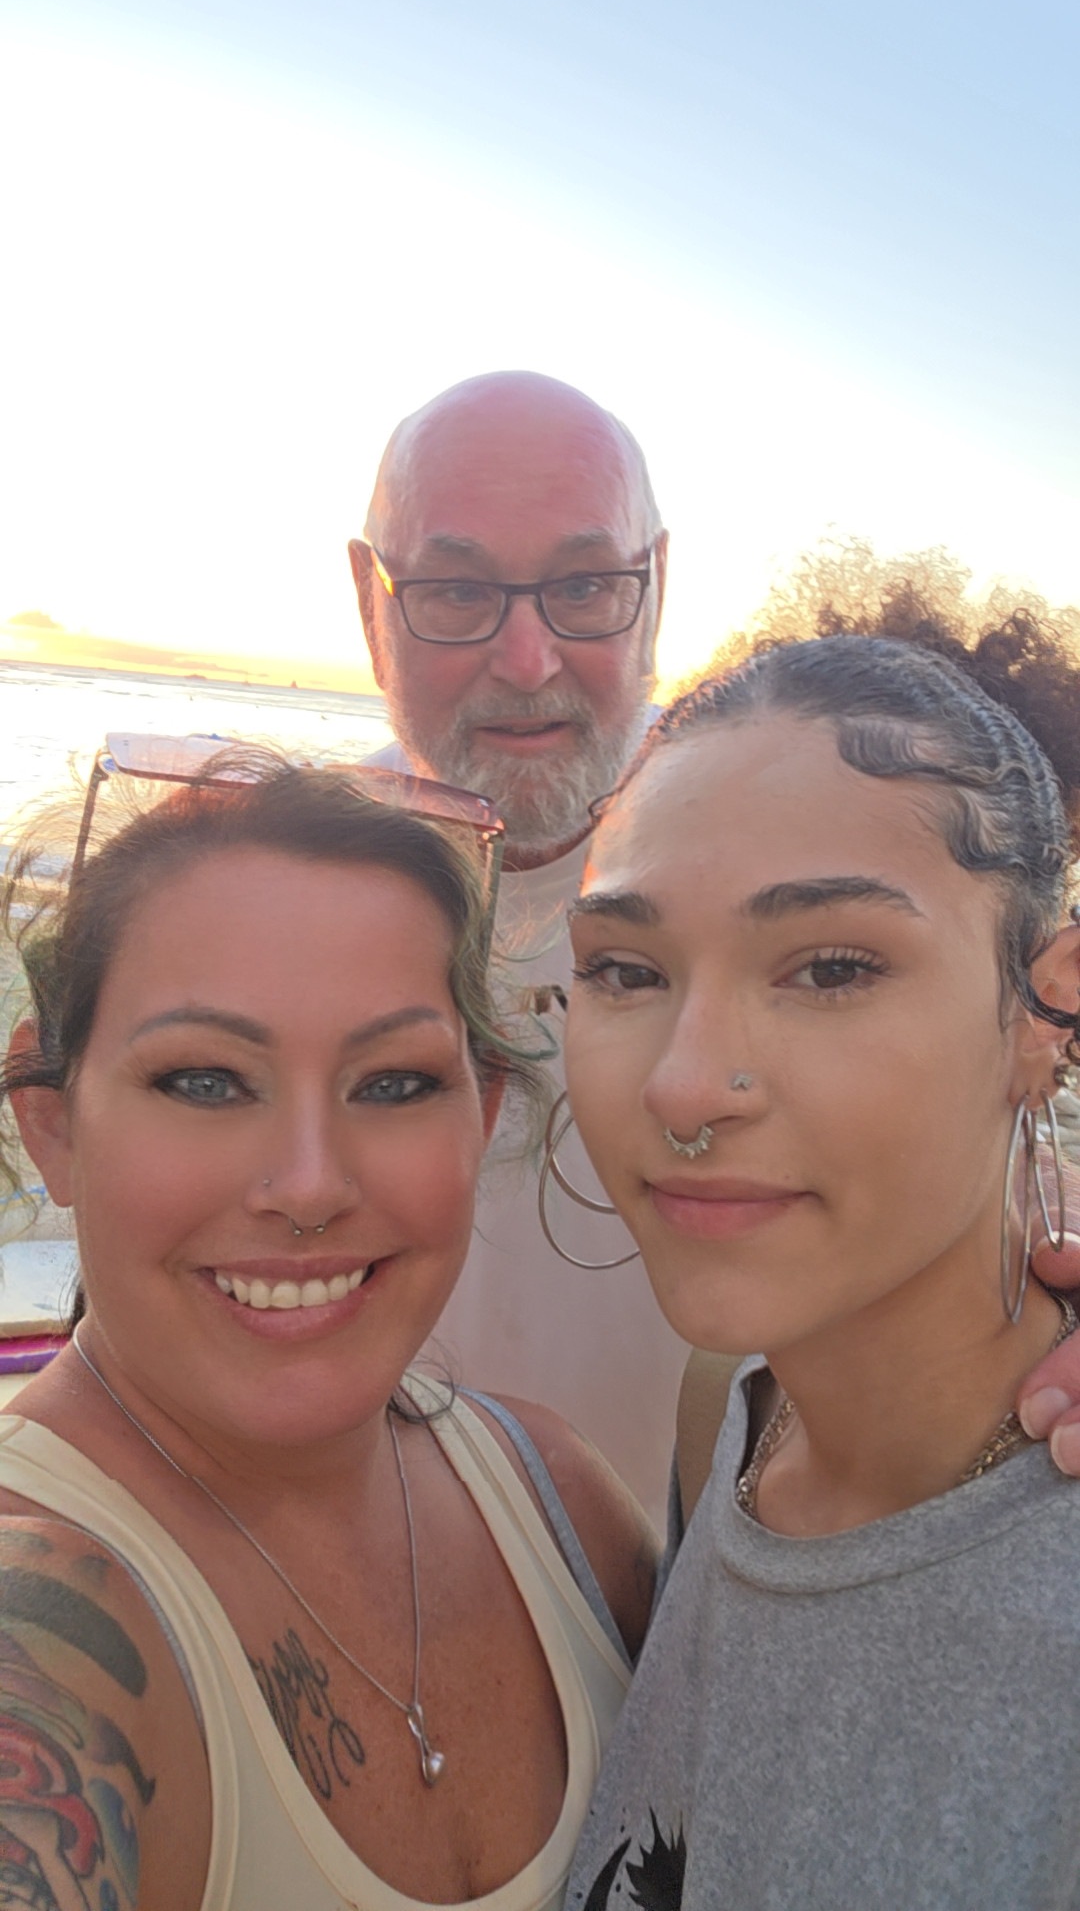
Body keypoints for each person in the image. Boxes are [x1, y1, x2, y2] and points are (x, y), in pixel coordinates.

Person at [0, 749, 654, 1909]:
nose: (308, 1186)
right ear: (51, 1123)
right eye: (205, 1081)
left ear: (481, 1115)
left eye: (393, 1084)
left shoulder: (562, 1509)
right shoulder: (38, 1622)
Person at [563, 600, 1080, 1907]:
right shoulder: (734, 1418)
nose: (686, 1087)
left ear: (1047, 1009)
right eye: (626, 970)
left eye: (833, 968)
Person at [349, 371, 689, 1524]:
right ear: (369, 603)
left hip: (703, 1582)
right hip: (350, 1569)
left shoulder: (789, 871)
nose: (529, 659)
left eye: (586, 586)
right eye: (456, 591)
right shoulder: (282, 883)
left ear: (655, 588)